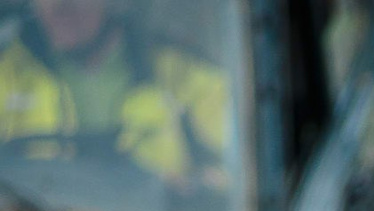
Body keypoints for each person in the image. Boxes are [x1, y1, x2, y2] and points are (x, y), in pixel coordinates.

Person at [0, 0, 234, 184]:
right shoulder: (8, 73)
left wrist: (202, 185)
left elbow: (241, 170)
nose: (58, 9)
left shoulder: (181, 73)